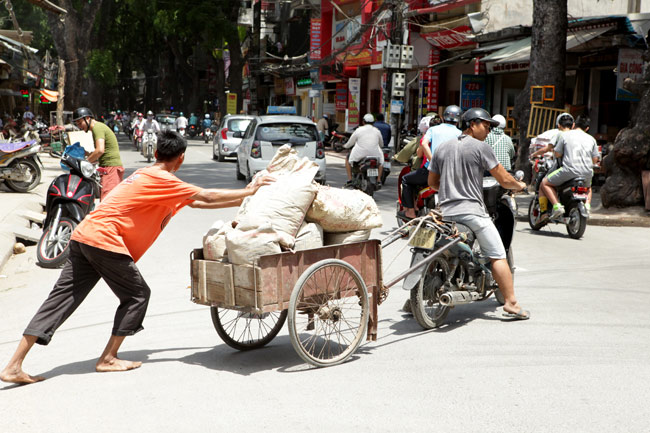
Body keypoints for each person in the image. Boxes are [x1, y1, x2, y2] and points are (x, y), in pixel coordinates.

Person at [0, 131, 275, 385]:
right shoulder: (163, 179)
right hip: (104, 241)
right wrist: (251, 190)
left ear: (156, 153)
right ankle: (108, 358)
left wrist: (245, 198)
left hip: (84, 237)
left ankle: (13, 365)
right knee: (137, 295)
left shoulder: (147, 175)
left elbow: (198, 201)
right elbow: (207, 194)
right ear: (180, 158)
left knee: (58, 301)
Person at [428, 107, 529, 320]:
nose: (488, 130)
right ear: (472, 124)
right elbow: (503, 179)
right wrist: (519, 185)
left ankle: (413, 299)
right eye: (486, 125)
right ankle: (511, 302)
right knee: (497, 254)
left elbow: (433, 183)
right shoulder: (481, 148)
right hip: (472, 212)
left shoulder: (442, 148)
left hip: (444, 212)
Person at [399, 105, 462, 220]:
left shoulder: (433, 130)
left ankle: (411, 213)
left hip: (430, 172)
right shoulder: (460, 133)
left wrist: (433, 161)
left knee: (406, 179)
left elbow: (423, 144)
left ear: (443, 117)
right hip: (451, 174)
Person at [540, 114, 599, 219]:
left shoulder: (565, 135)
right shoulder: (591, 139)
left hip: (568, 171)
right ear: (587, 128)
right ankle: (587, 206)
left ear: (574, 125)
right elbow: (595, 160)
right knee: (588, 188)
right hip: (587, 172)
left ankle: (557, 206)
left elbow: (557, 154)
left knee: (545, 183)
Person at [73, 107, 124, 201]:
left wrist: (84, 163)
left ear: (87, 118)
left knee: (107, 202)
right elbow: (99, 153)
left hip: (111, 168)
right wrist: (88, 154)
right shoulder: (97, 128)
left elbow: (100, 150)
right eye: (77, 124)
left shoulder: (97, 128)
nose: (79, 126)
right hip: (108, 167)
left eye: (80, 123)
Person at [530, 113, 574, 217]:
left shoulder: (559, 135)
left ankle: (545, 212)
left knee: (543, 183)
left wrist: (534, 154)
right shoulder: (577, 136)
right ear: (573, 125)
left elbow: (547, 149)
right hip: (581, 169)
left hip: (563, 168)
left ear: (558, 125)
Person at [344, 113, 384, 185]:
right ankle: (378, 180)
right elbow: (381, 144)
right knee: (381, 162)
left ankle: (350, 180)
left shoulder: (359, 130)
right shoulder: (377, 131)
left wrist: (345, 146)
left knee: (348, 159)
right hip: (375, 155)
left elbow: (350, 142)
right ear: (373, 122)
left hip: (360, 155)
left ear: (363, 122)